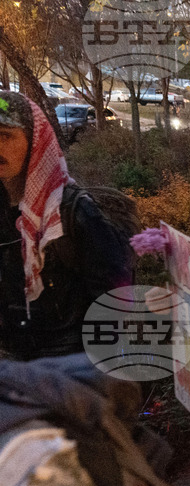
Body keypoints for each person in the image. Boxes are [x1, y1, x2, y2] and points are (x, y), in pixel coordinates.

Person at [0, 91, 133, 360]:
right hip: (13, 375)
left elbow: (115, 305)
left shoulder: (71, 212)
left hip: (70, 375)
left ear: (34, 141)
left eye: (6, 136)